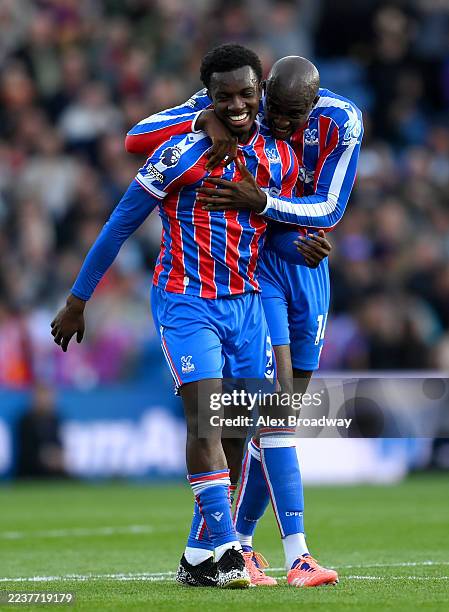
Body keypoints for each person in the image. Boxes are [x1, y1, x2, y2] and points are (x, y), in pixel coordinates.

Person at [51, 44, 322, 589]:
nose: (239, 105)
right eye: (225, 97)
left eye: (247, 94)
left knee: (238, 432)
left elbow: (271, 237)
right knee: (204, 416)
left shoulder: (281, 158)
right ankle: (227, 551)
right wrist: (79, 298)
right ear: (210, 98)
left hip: (247, 305)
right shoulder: (180, 154)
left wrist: (302, 248)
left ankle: (198, 556)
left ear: (260, 92)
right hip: (185, 300)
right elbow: (120, 224)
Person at [124, 55, 363, 587]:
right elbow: (137, 137)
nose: (277, 122)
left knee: (271, 414)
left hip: (300, 257)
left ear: (314, 105)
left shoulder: (342, 121)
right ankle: (294, 553)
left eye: (291, 113)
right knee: (267, 409)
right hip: (251, 269)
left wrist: (266, 201)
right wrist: (199, 121)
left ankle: (230, 545)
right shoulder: (231, 109)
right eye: (273, 109)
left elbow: (329, 210)